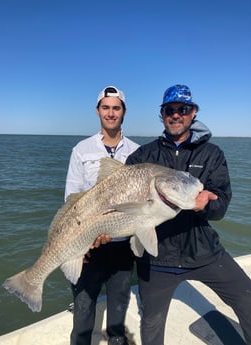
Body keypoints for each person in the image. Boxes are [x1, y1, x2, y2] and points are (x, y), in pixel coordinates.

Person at [125, 84, 251, 345]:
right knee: (151, 324)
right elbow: (123, 201)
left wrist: (206, 204)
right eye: (169, 110)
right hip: (157, 257)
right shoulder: (143, 156)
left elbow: (221, 204)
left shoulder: (212, 154)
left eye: (182, 109)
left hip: (204, 252)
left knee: (247, 297)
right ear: (162, 115)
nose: (175, 115)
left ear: (193, 113)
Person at [65, 86, 139, 345]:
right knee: (84, 310)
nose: (111, 113)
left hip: (122, 244)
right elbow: (71, 199)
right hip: (89, 244)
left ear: (124, 112)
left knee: (118, 310)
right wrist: (82, 240)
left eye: (116, 108)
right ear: (98, 111)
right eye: (106, 107)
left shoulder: (137, 151)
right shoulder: (81, 150)